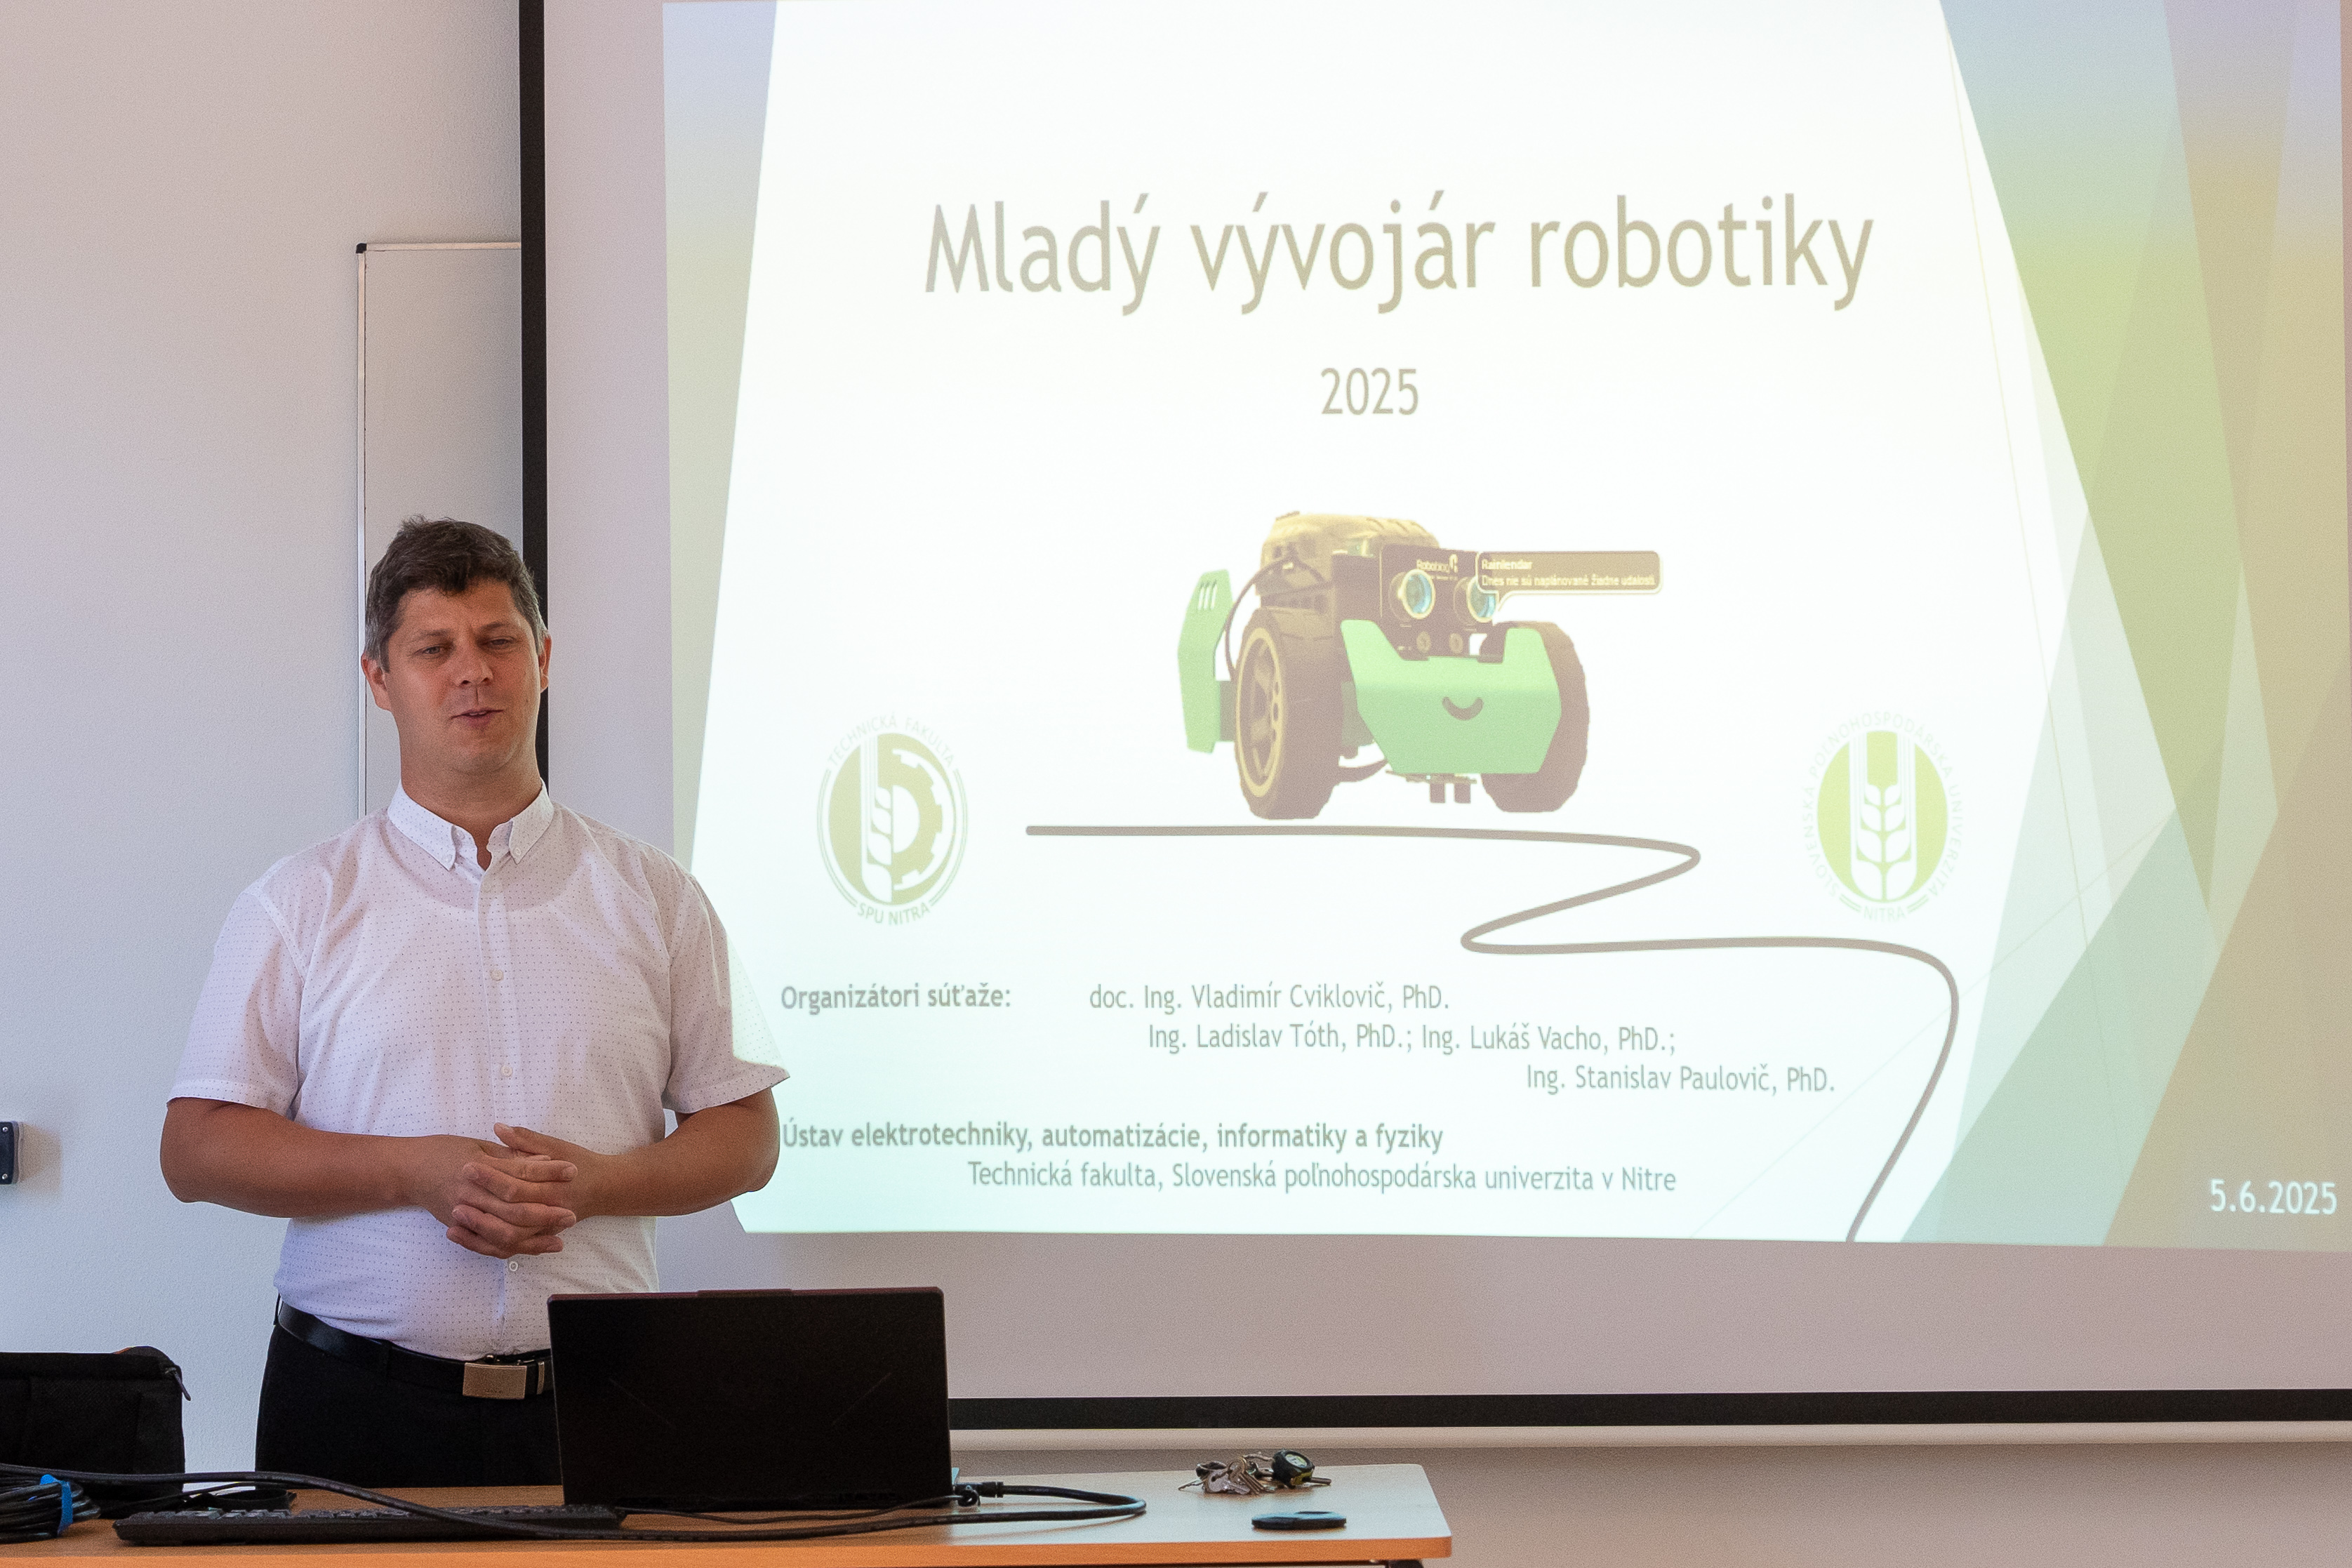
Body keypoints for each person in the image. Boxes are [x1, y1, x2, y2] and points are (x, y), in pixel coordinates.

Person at [160, 517, 785, 1487]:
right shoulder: (299, 902)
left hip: (604, 1401)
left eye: (498, 641)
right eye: (433, 649)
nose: (473, 673)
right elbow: (196, 1148)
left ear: (543, 658)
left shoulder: (656, 896)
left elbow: (747, 1135)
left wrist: (599, 1185)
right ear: (379, 680)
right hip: (351, 1406)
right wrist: (411, 1170)